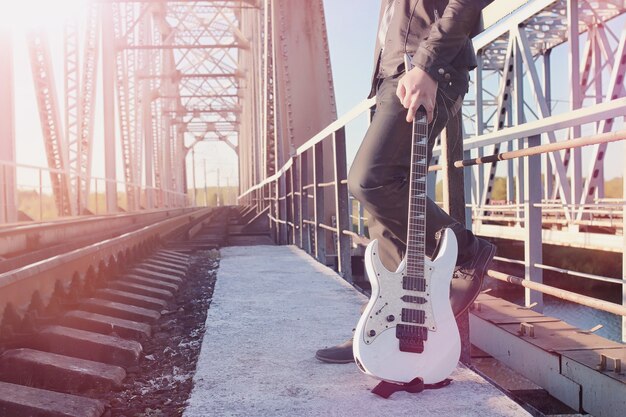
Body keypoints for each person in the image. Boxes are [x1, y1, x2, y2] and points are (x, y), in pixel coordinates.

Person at [315, 0, 496, 364]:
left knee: (371, 180)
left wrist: (427, 64)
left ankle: (465, 250)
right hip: (393, 75)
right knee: (382, 217)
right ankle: (390, 327)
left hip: (425, 69)